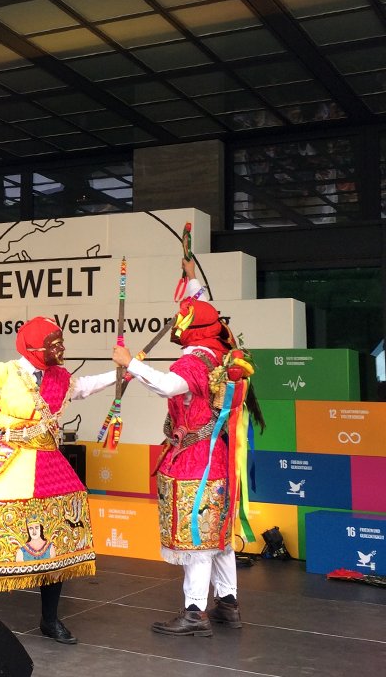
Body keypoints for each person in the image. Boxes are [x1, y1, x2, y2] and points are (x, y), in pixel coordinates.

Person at [112, 257, 262, 637]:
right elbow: (205, 309)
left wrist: (131, 363)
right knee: (219, 535)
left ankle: (195, 612)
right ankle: (228, 605)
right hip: (219, 457)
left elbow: (167, 386)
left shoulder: (195, 362)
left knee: (197, 536)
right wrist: (193, 280)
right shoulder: (221, 349)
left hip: (195, 461)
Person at [0, 317, 117, 644]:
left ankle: (49, 619)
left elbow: (84, 387)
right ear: (34, 348)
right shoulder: (6, 372)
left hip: (49, 464)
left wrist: (122, 372)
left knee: (56, 537)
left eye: (60, 343)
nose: (61, 349)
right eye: (54, 344)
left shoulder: (60, 377)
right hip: (10, 462)